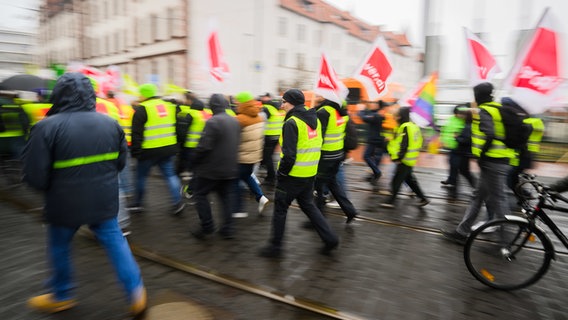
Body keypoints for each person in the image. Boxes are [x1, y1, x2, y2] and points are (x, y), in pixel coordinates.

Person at [21, 73, 146, 316]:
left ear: (59, 95)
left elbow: (35, 175)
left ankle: (62, 294)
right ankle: (136, 292)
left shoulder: (46, 127)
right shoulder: (110, 123)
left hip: (64, 202)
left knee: (59, 246)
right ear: (90, 94)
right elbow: (120, 163)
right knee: (116, 242)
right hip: (104, 199)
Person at [259, 89, 339, 258]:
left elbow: (289, 155)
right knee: (309, 207)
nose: (281, 105)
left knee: (280, 209)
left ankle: (275, 247)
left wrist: (281, 173)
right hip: (309, 175)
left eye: (284, 102)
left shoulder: (292, 123)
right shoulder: (314, 120)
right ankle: (330, 238)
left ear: (292, 103)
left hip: (292, 177)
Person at [442, 82, 516, 245]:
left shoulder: (485, 111)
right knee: (477, 196)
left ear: (478, 95)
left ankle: (506, 242)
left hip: (493, 161)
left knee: (499, 200)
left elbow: (490, 134)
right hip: (498, 160)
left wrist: (482, 154)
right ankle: (462, 232)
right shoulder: (498, 108)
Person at [190, 94, 241, 239]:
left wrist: (193, 161)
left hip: (211, 170)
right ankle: (228, 229)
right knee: (225, 197)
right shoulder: (234, 121)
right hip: (230, 168)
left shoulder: (212, 122)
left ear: (212, 106)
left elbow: (204, 147)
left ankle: (207, 226)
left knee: (200, 195)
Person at [130, 83, 184, 215]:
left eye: (140, 94)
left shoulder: (142, 109)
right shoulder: (170, 107)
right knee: (171, 175)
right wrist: (177, 146)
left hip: (149, 151)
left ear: (144, 94)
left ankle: (137, 204)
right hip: (168, 149)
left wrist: (135, 152)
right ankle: (178, 202)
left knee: (141, 177)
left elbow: (136, 134)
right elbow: (178, 128)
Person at [313, 94, 358, 223]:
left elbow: (318, 136)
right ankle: (350, 211)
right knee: (333, 184)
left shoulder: (324, 112)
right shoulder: (340, 112)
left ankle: (318, 219)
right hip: (337, 154)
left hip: (325, 156)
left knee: (318, 187)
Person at [380, 106, 429, 208]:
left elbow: (404, 144)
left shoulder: (405, 127)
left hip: (404, 159)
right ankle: (423, 198)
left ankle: (390, 201)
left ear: (401, 116)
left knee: (396, 180)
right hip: (410, 158)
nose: (395, 117)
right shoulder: (412, 126)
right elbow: (415, 141)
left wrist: (399, 158)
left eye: (397, 115)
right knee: (410, 180)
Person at [233, 91, 270, 218]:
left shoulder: (240, 119)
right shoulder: (259, 116)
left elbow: (234, 138)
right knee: (247, 176)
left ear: (242, 103)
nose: (236, 104)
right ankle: (261, 197)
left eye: (237, 102)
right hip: (254, 156)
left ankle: (238, 209)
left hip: (242, 156)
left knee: (236, 180)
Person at [176, 91, 211, 198]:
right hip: (205, 146)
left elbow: (183, 132)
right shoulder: (208, 114)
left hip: (191, 146)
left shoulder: (190, 114)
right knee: (200, 168)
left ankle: (190, 190)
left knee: (195, 169)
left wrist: (181, 144)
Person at [440, 104, 477, 199]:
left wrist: (457, 138)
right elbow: (447, 130)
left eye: (460, 113)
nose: (459, 115)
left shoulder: (466, 124)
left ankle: (473, 187)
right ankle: (452, 183)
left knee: (463, 170)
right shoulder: (455, 120)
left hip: (461, 150)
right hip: (456, 149)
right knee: (455, 167)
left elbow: (467, 138)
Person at [259, 92, 285, 186]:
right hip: (278, 135)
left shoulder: (267, 108)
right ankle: (270, 173)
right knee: (270, 156)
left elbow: (260, 120)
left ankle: (271, 177)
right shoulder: (281, 108)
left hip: (269, 136)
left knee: (267, 157)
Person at [358, 100, 386, 186]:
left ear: (378, 106)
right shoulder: (376, 113)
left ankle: (377, 172)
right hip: (377, 140)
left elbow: (364, 118)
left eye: (374, 103)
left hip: (374, 140)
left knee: (366, 156)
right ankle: (373, 175)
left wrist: (361, 110)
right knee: (375, 159)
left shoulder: (377, 115)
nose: (372, 104)